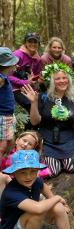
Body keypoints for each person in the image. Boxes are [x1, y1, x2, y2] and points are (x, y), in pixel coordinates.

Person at [21, 63, 74, 177]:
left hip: (69, 139)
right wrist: (33, 102)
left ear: (69, 80)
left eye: (64, 78)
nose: (62, 81)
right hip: (48, 140)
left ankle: (65, 162)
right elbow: (35, 122)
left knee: (72, 167)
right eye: (58, 78)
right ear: (52, 81)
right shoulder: (43, 97)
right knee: (53, 171)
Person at [0, 150, 74, 229]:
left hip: (29, 224)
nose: (28, 176)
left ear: (38, 171)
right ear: (14, 173)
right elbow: (38, 209)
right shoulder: (11, 192)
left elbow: (51, 197)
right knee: (36, 213)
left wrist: (61, 205)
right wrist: (58, 197)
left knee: (57, 206)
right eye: (23, 172)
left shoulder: (37, 181)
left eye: (33, 171)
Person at [0, 47, 19, 197]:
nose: (15, 66)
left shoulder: (4, 77)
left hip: (8, 115)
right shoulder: (0, 78)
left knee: (10, 142)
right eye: (12, 64)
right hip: (2, 116)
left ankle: (4, 164)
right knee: (3, 144)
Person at [8, 32, 42, 112]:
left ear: (38, 44)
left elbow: (36, 75)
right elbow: (8, 75)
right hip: (14, 88)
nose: (32, 44)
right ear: (25, 43)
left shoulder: (38, 59)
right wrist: (25, 82)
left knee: (41, 105)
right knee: (30, 105)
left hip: (29, 88)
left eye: (35, 42)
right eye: (30, 41)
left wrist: (38, 79)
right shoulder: (17, 55)